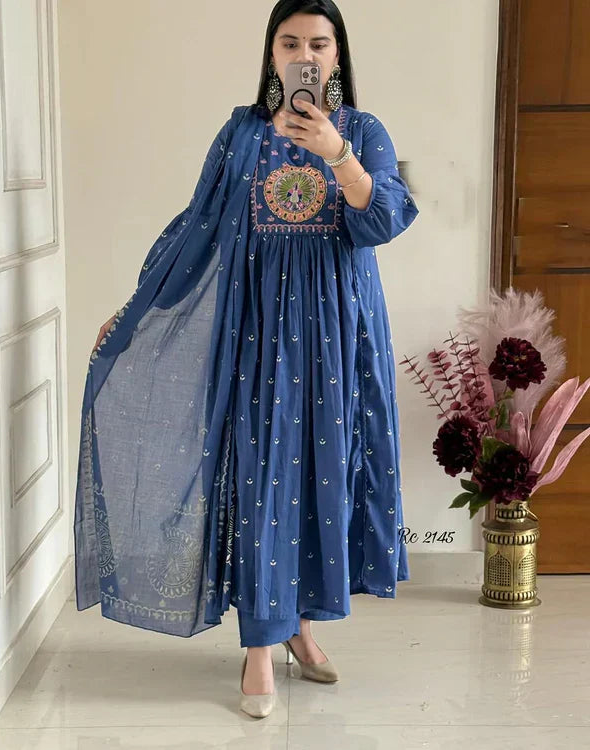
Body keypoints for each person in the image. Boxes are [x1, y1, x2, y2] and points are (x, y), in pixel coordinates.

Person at [78, 0, 418, 720]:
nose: (305, 55)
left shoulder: (364, 132)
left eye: (318, 43)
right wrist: (136, 310)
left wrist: (336, 152)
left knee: (323, 478)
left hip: (339, 340)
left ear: (337, 54)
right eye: (290, 42)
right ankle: (260, 644)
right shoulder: (240, 134)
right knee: (263, 480)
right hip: (257, 338)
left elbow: (385, 218)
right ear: (271, 54)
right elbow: (196, 230)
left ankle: (300, 626)